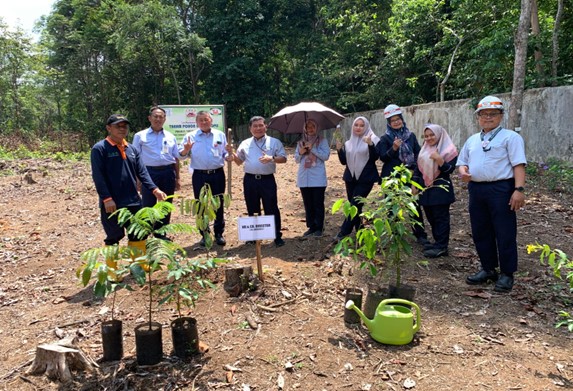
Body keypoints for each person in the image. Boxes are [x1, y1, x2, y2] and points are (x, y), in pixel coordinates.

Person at [457, 95, 526, 293]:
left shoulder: (510, 137)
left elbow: (518, 164)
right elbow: (462, 162)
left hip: (501, 189)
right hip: (477, 189)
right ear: (478, 117)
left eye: (493, 114)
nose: (488, 117)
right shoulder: (472, 140)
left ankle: (507, 274)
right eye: (483, 114)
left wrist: (518, 190)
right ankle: (488, 268)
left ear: (501, 116)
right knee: (480, 230)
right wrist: (463, 172)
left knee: (504, 231)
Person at [90, 114, 167, 247]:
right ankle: (112, 268)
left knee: (138, 234)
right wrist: (107, 199)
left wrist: (155, 189)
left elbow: (142, 172)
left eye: (124, 126)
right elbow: (98, 176)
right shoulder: (100, 148)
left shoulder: (132, 149)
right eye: (118, 126)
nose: (122, 129)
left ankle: (138, 266)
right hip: (112, 203)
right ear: (108, 128)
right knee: (114, 236)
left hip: (133, 201)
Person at [225, 116, 287, 247]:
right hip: (250, 180)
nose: (258, 128)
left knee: (271, 207)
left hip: (267, 180)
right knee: (252, 207)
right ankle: (255, 236)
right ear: (250, 128)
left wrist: (272, 158)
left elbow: (283, 159)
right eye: (255, 126)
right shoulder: (245, 143)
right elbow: (239, 161)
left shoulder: (274, 142)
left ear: (266, 127)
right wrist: (232, 155)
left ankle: (276, 235)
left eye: (260, 125)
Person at [378, 104, 428, 245]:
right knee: (392, 206)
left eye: (398, 119)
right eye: (393, 120)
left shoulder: (410, 136)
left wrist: (416, 178)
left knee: (414, 205)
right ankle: (394, 234)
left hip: (409, 175)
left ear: (402, 119)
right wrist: (393, 148)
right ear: (388, 122)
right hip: (392, 178)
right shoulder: (385, 138)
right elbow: (383, 157)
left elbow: (418, 155)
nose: (396, 122)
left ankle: (420, 235)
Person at [132, 106, 185, 239]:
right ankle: (144, 233)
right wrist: (137, 178)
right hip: (148, 173)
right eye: (155, 116)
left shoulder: (170, 136)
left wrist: (177, 178)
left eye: (161, 117)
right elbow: (135, 159)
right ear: (149, 118)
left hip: (168, 172)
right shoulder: (140, 136)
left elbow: (176, 157)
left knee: (165, 205)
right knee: (147, 204)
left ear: (165, 119)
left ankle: (161, 233)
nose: (158, 119)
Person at [179, 110, 228, 246]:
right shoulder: (190, 137)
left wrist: (229, 155)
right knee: (201, 204)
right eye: (201, 120)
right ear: (197, 122)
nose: (204, 122)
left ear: (211, 120)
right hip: (199, 175)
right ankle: (204, 233)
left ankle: (218, 233)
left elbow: (225, 154)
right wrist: (185, 150)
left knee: (218, 203)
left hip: (217, 174)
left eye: (206, 119)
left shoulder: (220, 135)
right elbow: (181, 155)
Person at [412, 124, 458, 258]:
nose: (429, 138)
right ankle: (438, 242)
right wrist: (414, 184)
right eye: (426, 136)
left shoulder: (449, 150)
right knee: (431, 216)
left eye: (432, 135)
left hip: (440, 189)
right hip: (425, 189)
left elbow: (450, 170)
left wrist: (440, 160)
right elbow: (417, 168)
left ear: (439, 134)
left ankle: (442, 246)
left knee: (441, 218)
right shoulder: (424, 149)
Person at [334, 116, 380, 240]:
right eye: (356, 125)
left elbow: (375, 157)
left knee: (355, 204)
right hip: (350, 178)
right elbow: (344, 162)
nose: (358, 128)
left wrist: (370, 144)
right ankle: (360, 233)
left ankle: (343, 232)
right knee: (355, 207)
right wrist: (339, 150)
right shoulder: (349, 143)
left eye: (361, 125)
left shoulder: (373, 139)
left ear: (366, 127)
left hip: (366, 178)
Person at [294, 119, 330, 237]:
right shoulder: (300, 143)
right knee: (308, 203)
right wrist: (301, 152)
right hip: (304, 177)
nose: (310, 129)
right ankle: (311, 226)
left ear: (316, 128)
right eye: (308, 127)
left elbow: (325, 156)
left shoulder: (322, 141)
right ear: (304, 129)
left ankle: (319, 227)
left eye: (312, 127)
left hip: (318, 177)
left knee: (318, 203)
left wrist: (313, 149)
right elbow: (296, 160)